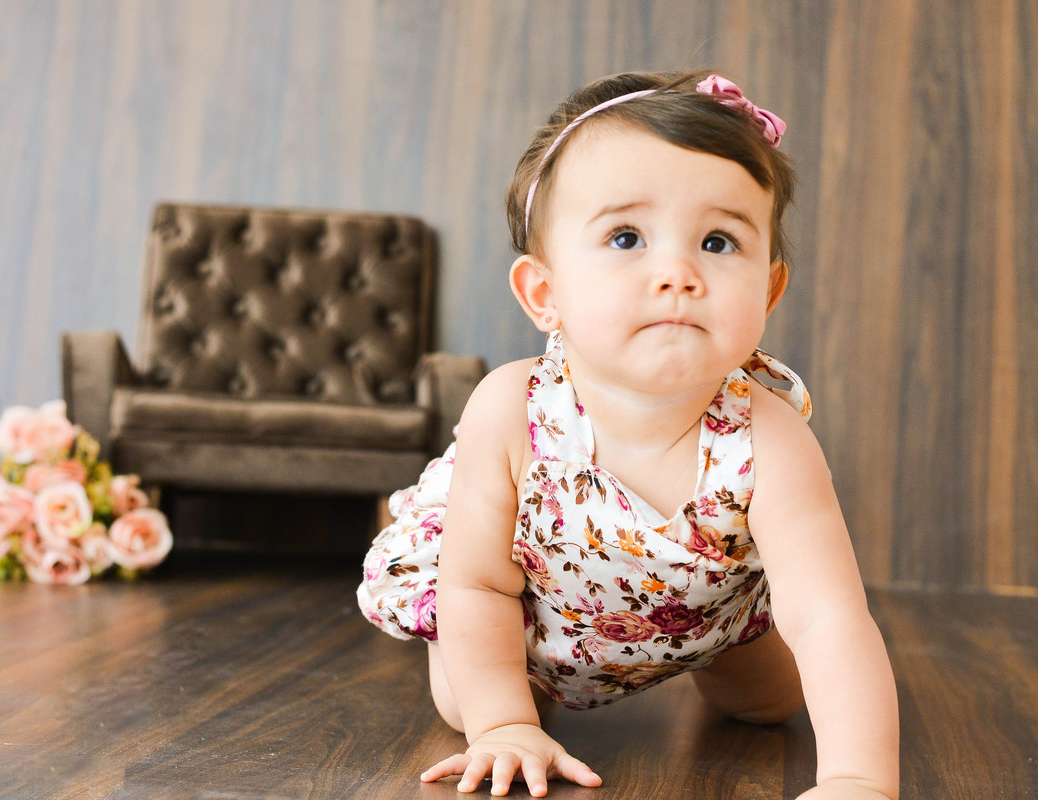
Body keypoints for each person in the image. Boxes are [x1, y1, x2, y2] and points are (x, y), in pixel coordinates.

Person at [357, 70, 899, 799]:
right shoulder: (512, 410)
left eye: (717, 241)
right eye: (626, 237)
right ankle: (515, 702)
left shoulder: (769, 440)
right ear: (545, 293)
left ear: (769, 290)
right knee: (467, 701)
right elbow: (478, 582)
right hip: (529, 617)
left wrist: (858, 779)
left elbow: (829, 616)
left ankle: (718, 659)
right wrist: (503, 725)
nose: (677, 273)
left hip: (706, 614)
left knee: (774, 703)